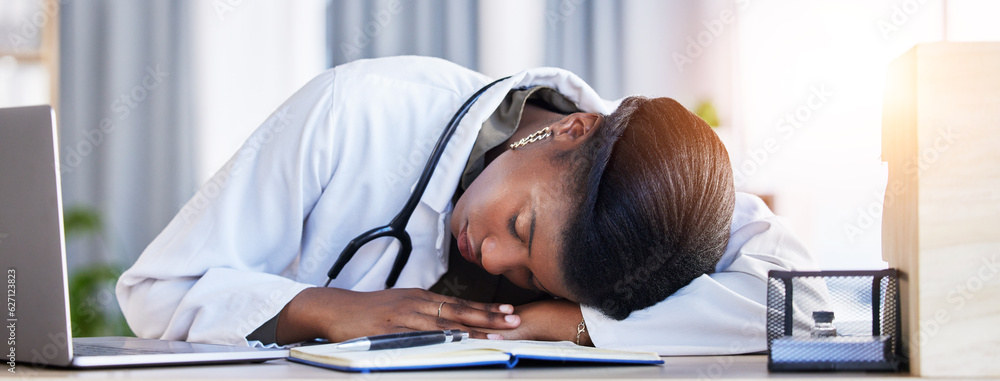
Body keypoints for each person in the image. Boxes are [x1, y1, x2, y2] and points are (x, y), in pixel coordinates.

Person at [116, 56, 818, 355]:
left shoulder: (652, 213)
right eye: (520, 225)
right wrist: (322, 307)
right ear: (570, 129)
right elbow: (156, 293)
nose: (493, 257)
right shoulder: (357, 113)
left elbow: (807, 305)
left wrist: (573, 322)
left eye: (528, 277)